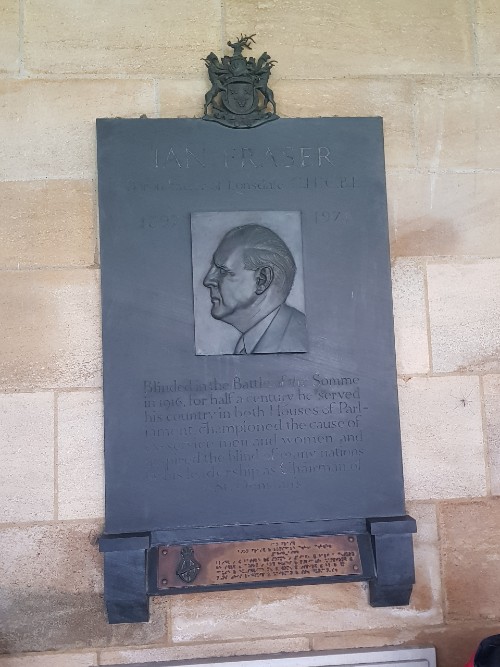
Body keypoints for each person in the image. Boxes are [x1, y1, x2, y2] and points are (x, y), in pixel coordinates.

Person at [203, 224, 307, 354]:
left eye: (222, 271)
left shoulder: (295, 343)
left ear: (262, 280)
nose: (207, 280)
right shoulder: (248, 344)